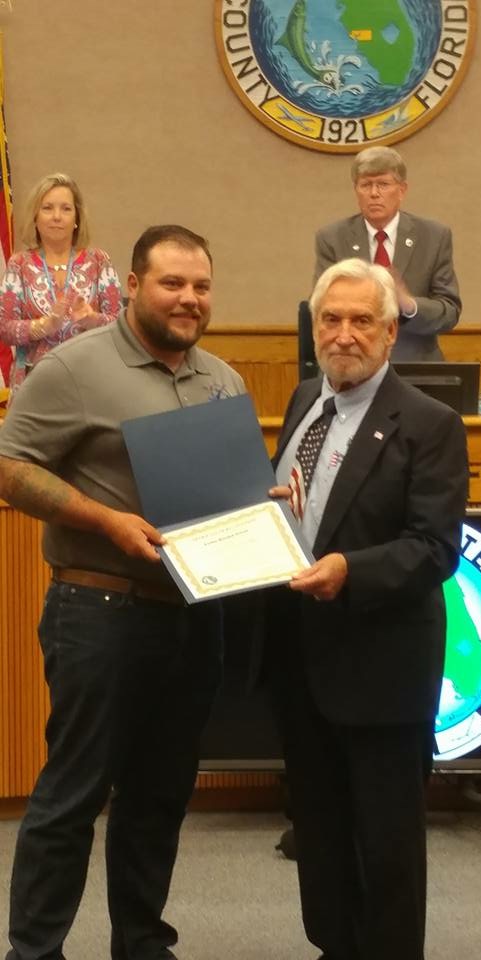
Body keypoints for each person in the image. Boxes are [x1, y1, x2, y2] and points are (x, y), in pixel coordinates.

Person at [0, 224, 245, 960]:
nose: (188, 299)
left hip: (193, 617)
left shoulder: (223, 380)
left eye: (200, 286)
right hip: (98, 608)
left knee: (161, 794)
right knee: (73, 792)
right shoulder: (74, 368)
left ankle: (141, 942)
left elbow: (229, 499)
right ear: (132, 285)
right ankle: (34, 950)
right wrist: (105, 520)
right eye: (172, 283)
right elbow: (9, 466)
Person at [267, 258, 468, 959]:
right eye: (331, 318)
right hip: (302, 667)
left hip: (383, 673)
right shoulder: (301, 402)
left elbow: (434, 548)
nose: (344, 334)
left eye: (361, 321)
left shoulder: (430, 423)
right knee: (318, 836)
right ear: (314, 326)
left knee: (385, 850)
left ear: (389, 333)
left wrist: (351, 570)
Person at [313, 145, 461, 360]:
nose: (374, 193)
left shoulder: (433, 236)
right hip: (353, 363)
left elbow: (449, 312)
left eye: (383, 184)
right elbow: (321, 306)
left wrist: (409, 304)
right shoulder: (333, 238)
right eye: (366, 185)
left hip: (416, 369)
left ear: (402, 190)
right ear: (356, 190)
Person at [0, 171, 122, 396]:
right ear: (35, 217)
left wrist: (91, 319)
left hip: (90, 382)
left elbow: (121, 325)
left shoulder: (99, 261)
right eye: (47, 208)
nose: (57, 216)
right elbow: (4, 328)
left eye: (66, 209)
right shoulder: (19, 264)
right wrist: (46, 325)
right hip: (34, 385)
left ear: (77, 219)